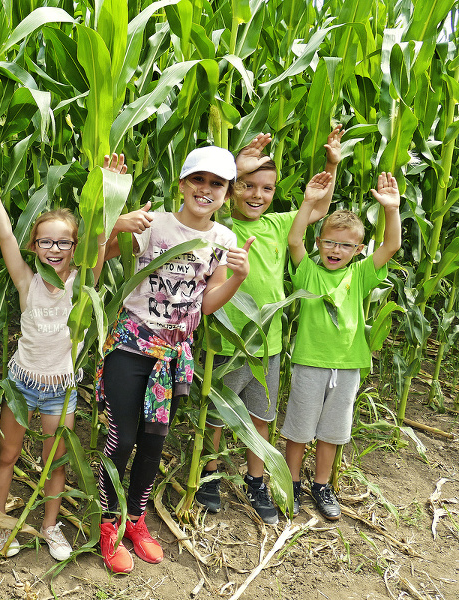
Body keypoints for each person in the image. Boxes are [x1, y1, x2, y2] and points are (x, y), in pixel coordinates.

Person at [96, 146, 253, 574]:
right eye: (198, 180)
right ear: (181, 184)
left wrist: (238, 277)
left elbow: (206, 306)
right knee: (123, 438)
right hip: (131, 344)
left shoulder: (222, 239)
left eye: (217, 184)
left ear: (227, 193)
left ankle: (135, 519)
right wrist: (115, 224)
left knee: (153, 443)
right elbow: (92, 263)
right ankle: (108, 524)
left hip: (173, 356)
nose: (206, 190)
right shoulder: (153, 224)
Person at [0, 143, 126, 561]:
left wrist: (109, 190)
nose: (54, 250)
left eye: (63, 243)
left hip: (61, 389)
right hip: (21, 385)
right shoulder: (26, 281)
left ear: (75, 247)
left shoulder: (84, 281)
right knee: (8, 453)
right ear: (34, 246)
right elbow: (4, 233)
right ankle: (2, 523)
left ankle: (50, 526)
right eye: (44, 242)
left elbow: (103, 235)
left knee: (56, 462)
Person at [195, 127, 343, 524]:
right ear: (232, 188)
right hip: (224, 344)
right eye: (246, 185)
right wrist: (233, 166)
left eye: (267, 188)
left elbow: (317, 208)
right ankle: (208, 475)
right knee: (217, 416)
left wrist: (331, 164)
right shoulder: (220, 225)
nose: (257, 195)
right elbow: (207, 196)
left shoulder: (279, 225)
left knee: (261, 417)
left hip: (268, 345)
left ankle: (255, 479)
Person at [282, 172, 401, 521]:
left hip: (348, 365)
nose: (337, 250)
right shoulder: (308, 272)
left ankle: (321, 485)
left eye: (346, 245)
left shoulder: (361, 274)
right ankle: (290, 482)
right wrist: (308, 203)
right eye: (331, 242)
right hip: (310, 362)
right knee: (300, 428)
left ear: (359, 250)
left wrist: (391, 210)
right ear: (319, 242)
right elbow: (293, 241)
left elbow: (391, 245)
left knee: (332, 431)